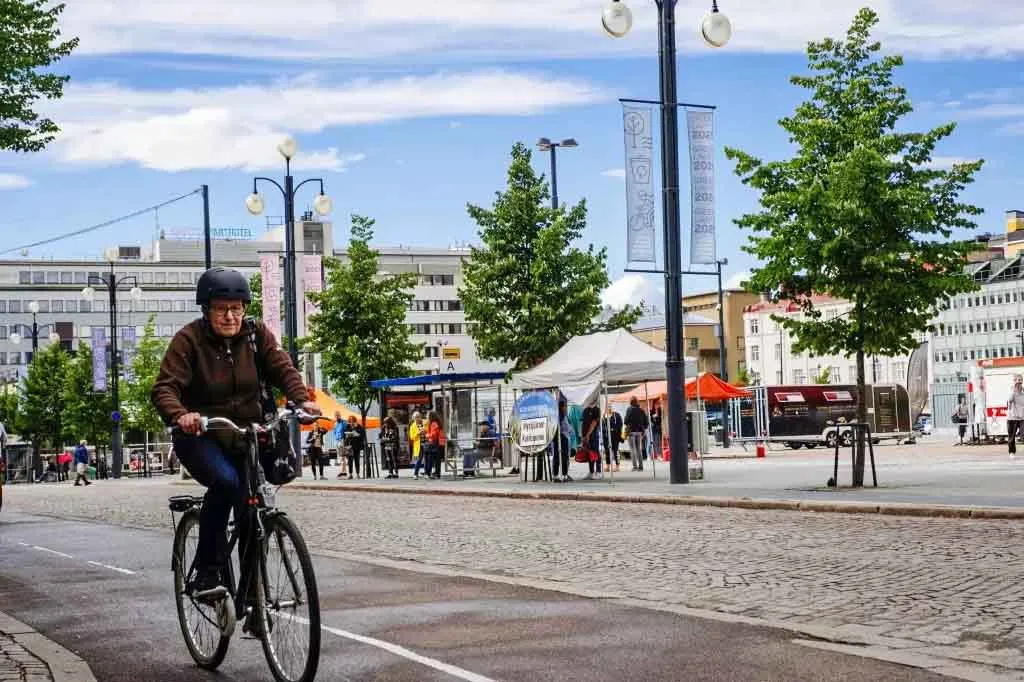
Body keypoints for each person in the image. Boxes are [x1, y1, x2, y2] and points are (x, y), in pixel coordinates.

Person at [151, 267, 318, 598]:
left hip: (246, 436)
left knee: (250, 512)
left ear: (244, 308)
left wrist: (302, 400)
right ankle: (207, 571)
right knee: (226, 483)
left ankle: (253, 599)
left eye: (236, 308)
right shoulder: (189, 340)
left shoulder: (257, 336)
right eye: (221, 309)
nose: (230, 316)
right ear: (207, 309)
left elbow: (283, 368)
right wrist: (181, 415)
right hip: (202, 437)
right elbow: (164, 389)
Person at [551, 399, 574, 483]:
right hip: (562, 437)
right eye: (565, 406)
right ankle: (564, 475)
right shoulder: (561, 416)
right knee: (563, 457)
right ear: (561, 407)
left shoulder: (557, 415)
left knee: (557, 457)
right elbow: (566, 427)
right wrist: (570, 430)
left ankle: (556, 475)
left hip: (557, 438)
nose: (566, 408)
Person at [625, 397, 649, 471]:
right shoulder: (641, 410)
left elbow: (625, 421)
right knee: (639, 449)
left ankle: (635, 466)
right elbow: (646, 422)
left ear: (631, 402)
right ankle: (641, 466)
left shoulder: (629, 410)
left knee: (633, 450)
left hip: (631, 432)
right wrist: (643, 428)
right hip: (639, 432)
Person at [581, 404, 602, 480]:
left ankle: (598, 472)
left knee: (595, 452)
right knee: (589, 453)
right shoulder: (585, 409)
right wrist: (583, 436)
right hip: (586, 434)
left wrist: (588, 434)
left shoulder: (596, 409)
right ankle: (591, 472)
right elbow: (583, 422)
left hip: (593, 434)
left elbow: (594, 423)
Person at [602, 404, 623, 472]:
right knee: (607, 451)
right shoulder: (603, 416)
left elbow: (620, 424)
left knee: (615, 450)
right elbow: (602, 426)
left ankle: (617, 466)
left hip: (615, 436)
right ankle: (607, 466)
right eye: (608, 407)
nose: (609, 408)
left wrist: (615, 430)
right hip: (606, 436)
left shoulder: (616, 415)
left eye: (610, 407)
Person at [425, 411, 445, 479]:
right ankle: (435, 473)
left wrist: (427, 435)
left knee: (433, 459)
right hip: (438, 443)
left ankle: (434, 473)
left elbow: (434, 435)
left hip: (435, 443)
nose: (426, 417)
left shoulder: (433, 423)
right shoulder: (436, 423)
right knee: (436, 459)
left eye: (427, 416)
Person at [1008, 375, 1024, 457]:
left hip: (1022, 418)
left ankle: (1020, 437)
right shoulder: (1012, 391)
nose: (1019, 382)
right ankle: (1012, 452)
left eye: (1020, 380)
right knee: (1011, 437)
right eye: (1017, 381)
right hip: (1012, 418)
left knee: (1023, 435)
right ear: (1014, 382)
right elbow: (1009, 400)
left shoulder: (1023, 392)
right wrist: (1014, 391)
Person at [410, 412, 426, 479]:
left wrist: (425, 431)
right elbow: (412, 437)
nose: (417, 419)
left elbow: (428, 429)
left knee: (426, 459)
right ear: (413, 418)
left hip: (426, 443)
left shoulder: (424, 423)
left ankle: (426, 473)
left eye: (418, 417)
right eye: (416, 417)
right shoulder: (413, 426)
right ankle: (415, 474)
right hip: (419, 445)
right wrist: (418, 433)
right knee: (419, 459)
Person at [333, 412, 349, 478]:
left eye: (338, 415)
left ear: (340, 415)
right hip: (337, 440)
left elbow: (346, 431)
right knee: (340, 456)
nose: (337, 417)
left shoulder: (344, 422)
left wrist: (344, 440)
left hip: (342, 440)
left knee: (342, 456)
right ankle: (343, 471)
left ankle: (343, 471)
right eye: (336, 416)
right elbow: (334, 432)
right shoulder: (335, 423)